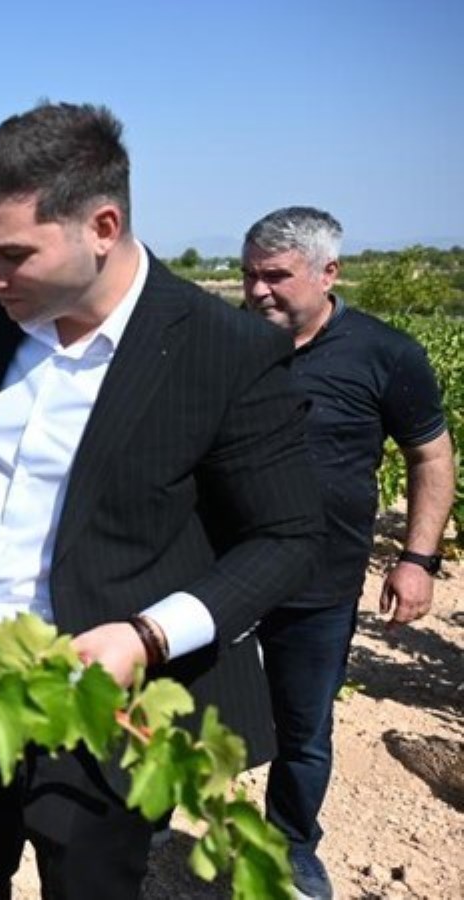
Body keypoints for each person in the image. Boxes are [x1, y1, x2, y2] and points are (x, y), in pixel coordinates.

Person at [0, 102, 325, 898]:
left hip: (101, 692)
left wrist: (150, 636)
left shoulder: (220, 352)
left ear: (102, 225)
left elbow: (290, 538)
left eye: (12, 254)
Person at [241, 206, 453, 900]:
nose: (258, 292)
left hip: (321, 578)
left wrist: (417, 559)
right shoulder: (229, 344)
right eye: (249, 276)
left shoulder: (387, 354)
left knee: (304, 728)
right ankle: (148, 821)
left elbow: (429, 456)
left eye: (276, 276)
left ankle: (292, 845)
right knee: (186, 704)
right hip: (222, 573)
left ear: (329, 273)